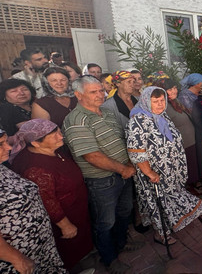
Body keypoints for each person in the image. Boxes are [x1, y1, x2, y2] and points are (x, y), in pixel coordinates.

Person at [63, 75, 140, 273]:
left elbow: (122, 139)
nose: (100, 95)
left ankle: (121, 244)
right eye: (93, 92)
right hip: (101, 180)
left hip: (124, 172)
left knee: (124, 212)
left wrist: (130, 162)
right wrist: (124, 169)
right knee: (105, 222)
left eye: (101, 90)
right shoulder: (75, 121)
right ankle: (110, 258)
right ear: (78, 95)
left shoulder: (106, 112)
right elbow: (92, 156)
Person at [127, 87, 202, 244]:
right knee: (158, 203)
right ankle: (161, 234)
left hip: (170, 170)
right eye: (155, 101)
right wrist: (150, 173)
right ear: (145, 102)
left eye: (162, 100)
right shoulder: (138, 121)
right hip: (155, 173)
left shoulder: (162, 116)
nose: (160, 104)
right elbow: (136, 151)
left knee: (169, 199)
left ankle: (170, 224)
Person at [11, 119, 93, 270]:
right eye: (54, 135)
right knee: (67, 250)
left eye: (59, 132)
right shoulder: (36, 169)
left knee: (79, 242)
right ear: (36, 143)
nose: (60, 136)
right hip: (64, 216)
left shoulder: (52, 151)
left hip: (76, 207)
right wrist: (65, 225)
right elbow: (47, 200)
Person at [0, 128, 67, 273]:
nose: (9, 147)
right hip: (18, 257)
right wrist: (16, 258)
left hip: (39, 245)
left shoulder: (2, 168)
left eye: (6, 142)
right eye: (1, 144)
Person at [154, 78, 199, 185]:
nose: (174, 91)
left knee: (193, 167)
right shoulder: (163, 107)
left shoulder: (175, 102)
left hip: (190, 141)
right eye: (170, 89)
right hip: (182, 145)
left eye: (174, 88)